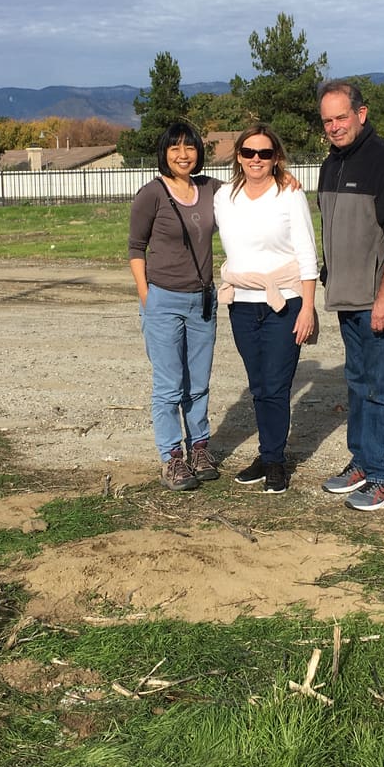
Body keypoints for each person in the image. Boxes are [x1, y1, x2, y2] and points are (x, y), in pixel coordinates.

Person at [315, 79, 384, 511]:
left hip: (380, 299)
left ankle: (383, 476)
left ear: (361, 113)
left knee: (382, 387)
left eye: (341, 117)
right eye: (327, 121)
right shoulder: (331, 164)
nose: (335, 127)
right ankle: (362, 460)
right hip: (347, 295)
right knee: (357, 385)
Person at [213, 125, 319, 494]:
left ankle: (274, 460)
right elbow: (185, 189)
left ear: (277, 157)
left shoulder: (288, 194)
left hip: (284, 302)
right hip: (242, 304)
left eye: (265, 153)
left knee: (276, 386)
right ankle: (266, 452)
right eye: (248, 153)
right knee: (258, 385)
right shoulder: (224, 196)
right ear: (238, 156)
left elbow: (307, 253)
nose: (255, 160)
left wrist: (308, 307)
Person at [128, 122, 221, 491]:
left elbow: (251, 194)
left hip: (203, 300)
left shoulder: (212, 189)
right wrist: (147, 296)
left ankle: (199, 448)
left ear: (199, 151)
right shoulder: (151, 194)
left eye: (190, 147)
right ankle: (172, 459)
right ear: (164, 153)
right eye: (175, 148)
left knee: (198, 383)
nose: (183, 154)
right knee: (169, 385)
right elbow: (136, 247)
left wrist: (284, 180)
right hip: (163, 298)